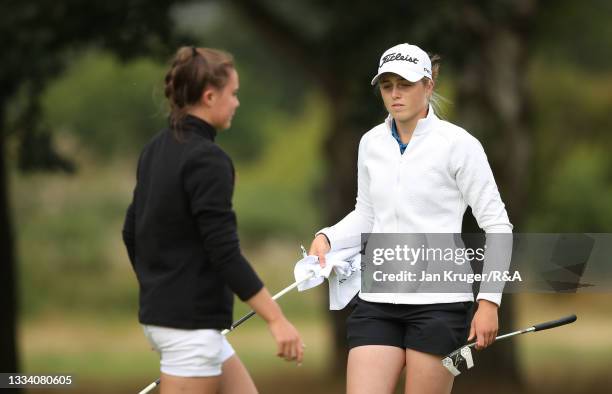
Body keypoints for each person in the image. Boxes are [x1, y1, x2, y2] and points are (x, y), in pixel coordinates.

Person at [309, 43, 513, 394]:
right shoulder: (370, 143)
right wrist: (328, 237)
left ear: (428, 85)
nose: (395, 94)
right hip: (376, 301)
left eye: (404, 84)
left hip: (441, 305)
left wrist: (489, 301)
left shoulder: (459, 145)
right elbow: (367, 214)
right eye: (387, 86)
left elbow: (497, 226)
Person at [122, 46, 304, 394]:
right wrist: (276, 319)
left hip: (175, 319)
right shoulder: (209, 160)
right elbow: (224, 252)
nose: (236, 102)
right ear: (209, 96)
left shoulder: (155, 149)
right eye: (232, 93)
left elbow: (131, 232)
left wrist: (159, 290)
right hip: (188, 329)